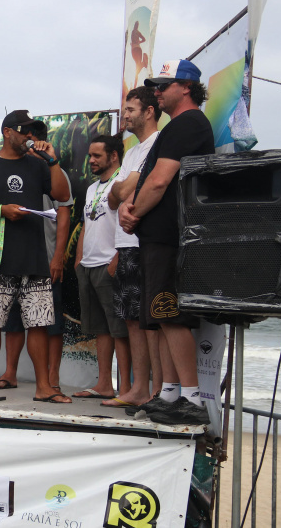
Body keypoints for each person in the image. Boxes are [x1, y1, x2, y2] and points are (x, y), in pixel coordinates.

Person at [119, 59, 215, 425]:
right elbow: (148, 181)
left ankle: (191, 397)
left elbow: (159, 181)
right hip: (155, 237)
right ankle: (170, 392)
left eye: (164, 85)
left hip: (170, 237)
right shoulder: (177, 127)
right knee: (159, 318)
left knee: (170, 314)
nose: (157, 92)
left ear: (186, 87)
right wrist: (131, 207)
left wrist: (134, 213)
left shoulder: (189, 124)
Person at [0, 110, 71, 403]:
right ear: (7, 132)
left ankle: (44, 388)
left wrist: (53, 161)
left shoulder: (37, 165)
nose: (30, 138)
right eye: (25, 132)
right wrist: (0, 210)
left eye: (34, 133)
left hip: (34, 259)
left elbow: (61, 195)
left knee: (38, 322)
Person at [0, 120, 73, 392]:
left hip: (46, 259)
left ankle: (52, 380)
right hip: (13, 259)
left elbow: (64, 214)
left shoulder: (53, 171)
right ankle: (10, 373)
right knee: (13, 321)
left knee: (49, 321)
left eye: (35, 139)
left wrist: (58, 256)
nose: (30, 142)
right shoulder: (11, 170)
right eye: (26, 137)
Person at [104, 86, 163, 408]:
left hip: (144, 242)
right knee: (131, 319)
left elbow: (129, 189)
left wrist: (125, 188)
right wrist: (124, 187)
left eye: (130, 109)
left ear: (149, 111)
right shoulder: (131, 152)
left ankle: (158, 389)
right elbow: (115, 196)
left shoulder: (158, 144)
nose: (124, 115)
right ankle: (140, 388)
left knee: (150, 320)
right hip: (125, 245)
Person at [72, 134, 129, 400]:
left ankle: (126, 388)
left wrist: (118, 257)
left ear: (113, 156)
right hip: (89, 265)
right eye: (90, 155)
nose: (91, 160)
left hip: (109, 263)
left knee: (121, 330)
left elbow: (130, 223)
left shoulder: (123, 183)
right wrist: (79, 259)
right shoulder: (92, 188)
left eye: (97, 155)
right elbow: (86, 222)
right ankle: (104, 384)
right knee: (101, 329)